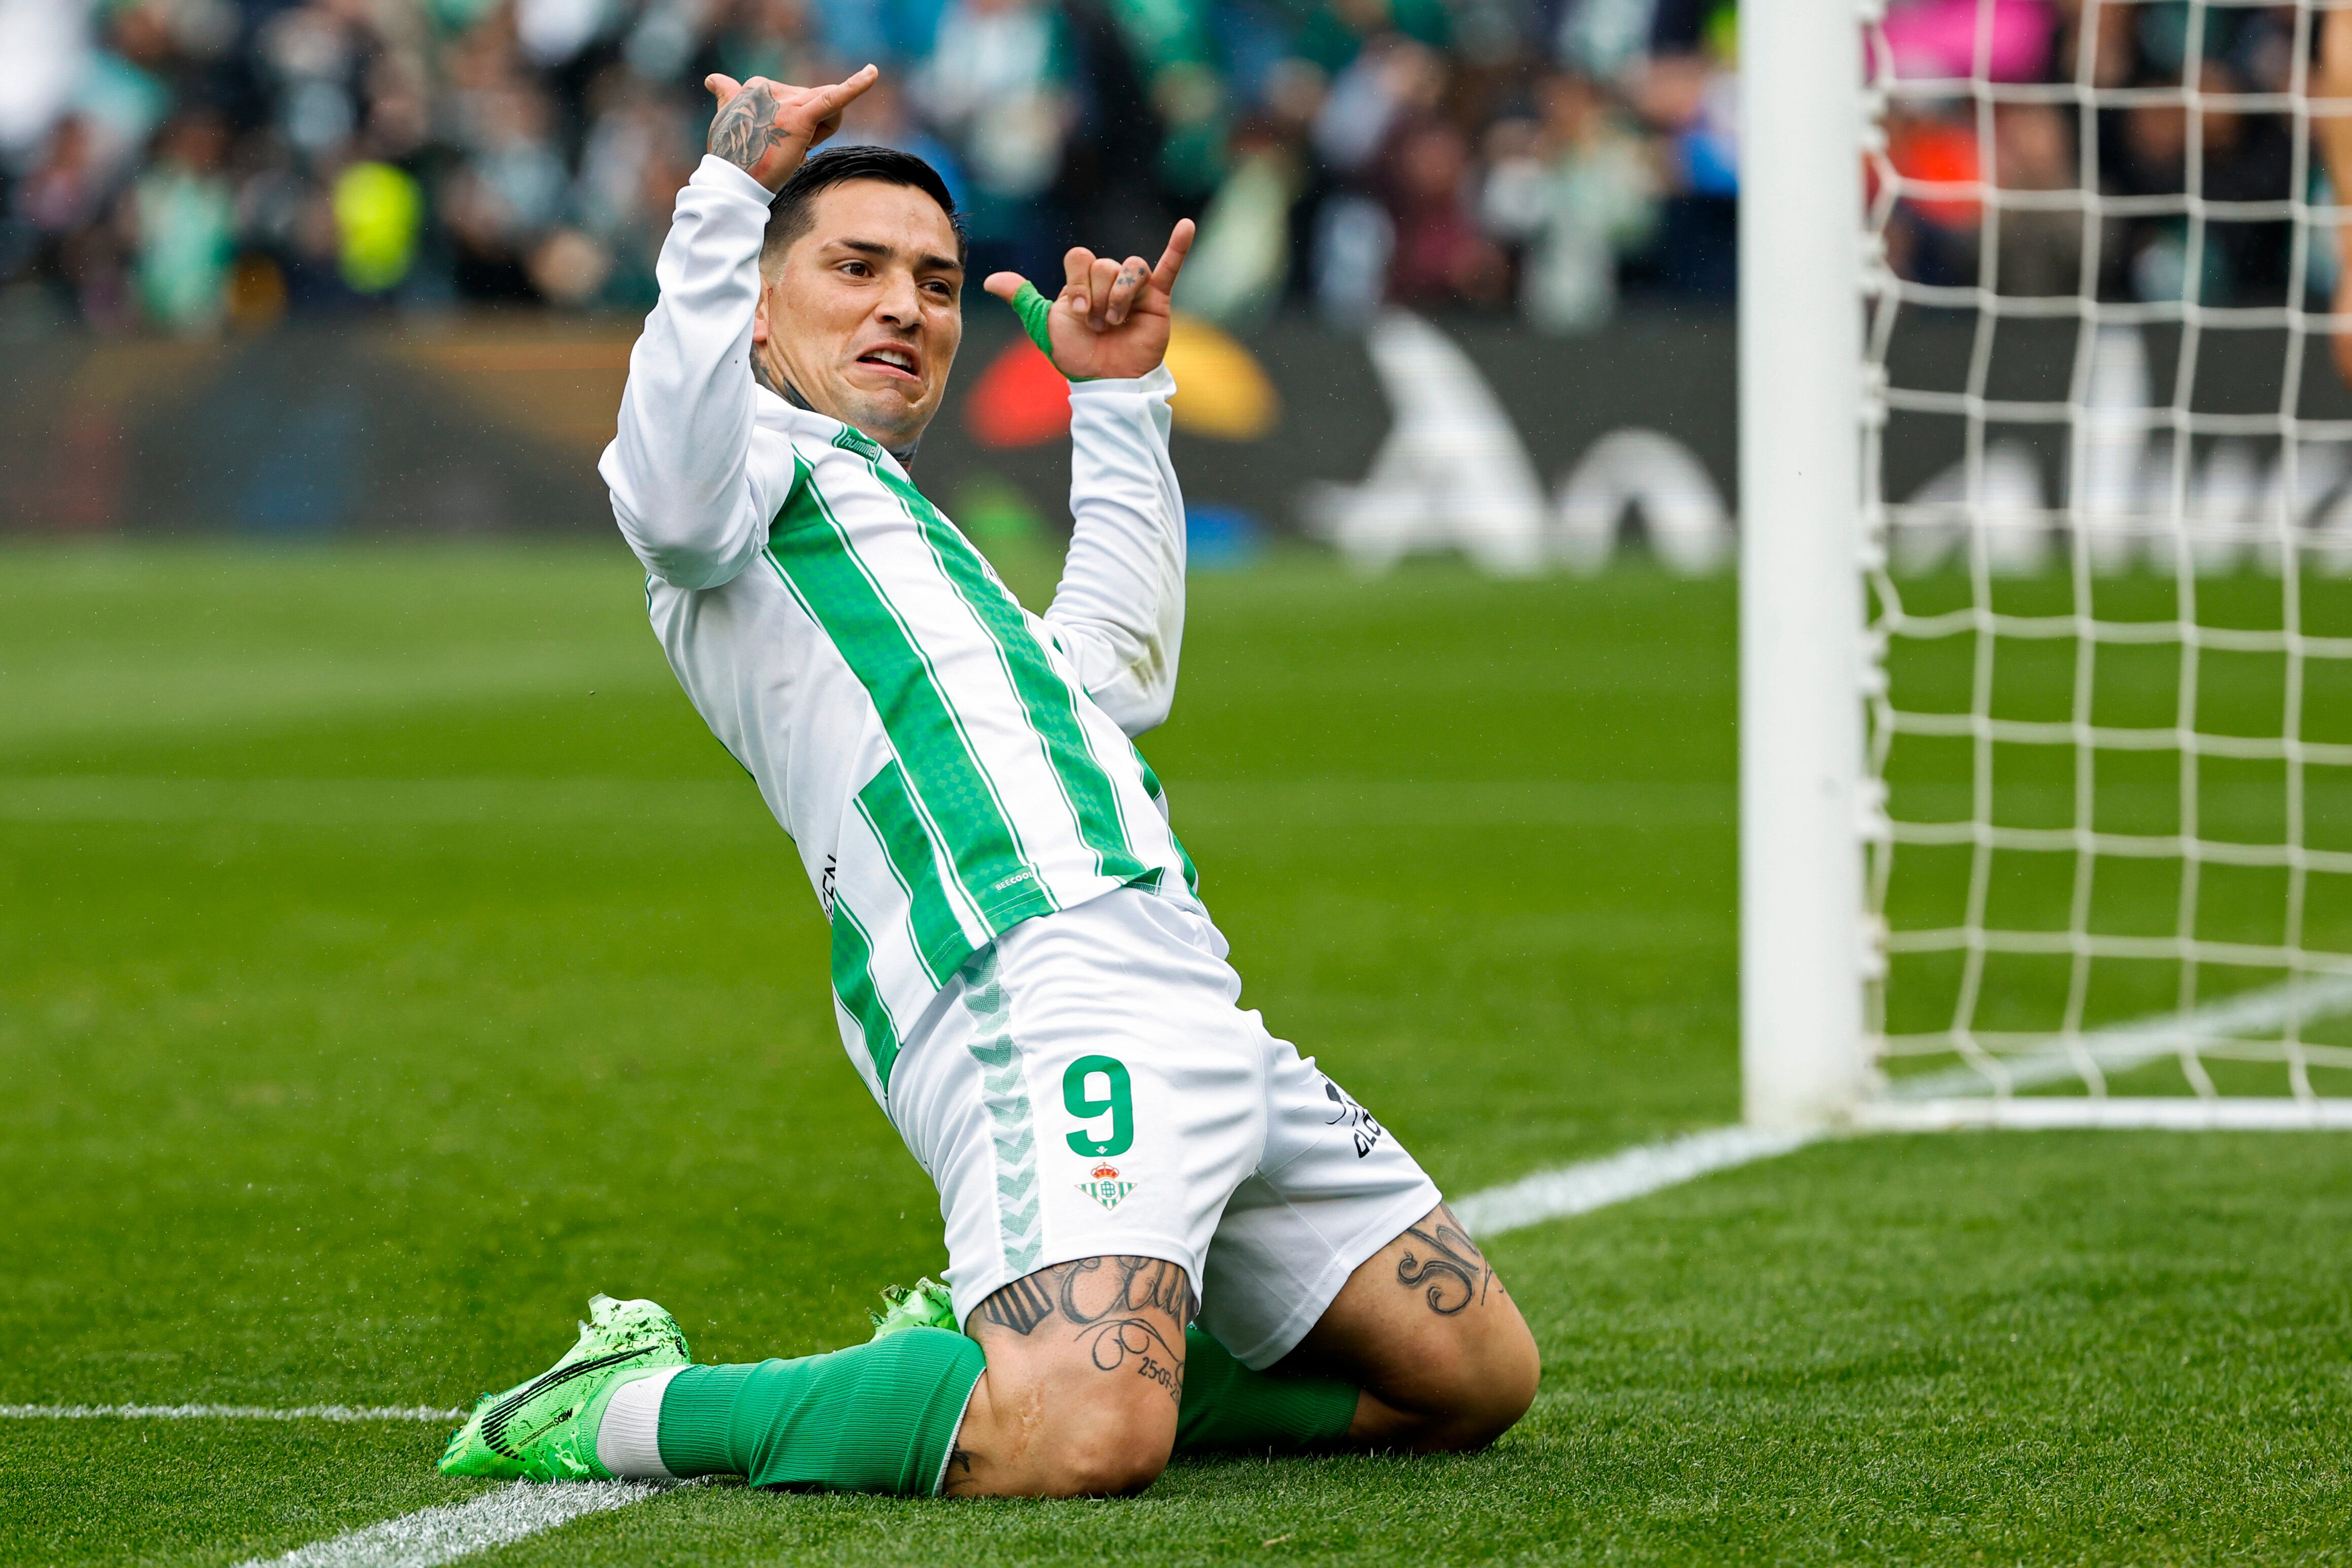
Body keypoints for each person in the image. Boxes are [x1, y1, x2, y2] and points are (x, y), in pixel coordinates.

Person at [436, 64, 1539, 1500]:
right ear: (756, 305)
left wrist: (1124, 396)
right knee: (1082, 1442)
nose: (905, 304)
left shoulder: (895, 514)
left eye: (938, 282)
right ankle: (628, 1403)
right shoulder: (738, 479)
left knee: (1467, 1378)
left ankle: (1014, 1350)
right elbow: (662, 488)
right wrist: (725, 189)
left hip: (1186, 988)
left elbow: (1115, 682)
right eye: (855, 268)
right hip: (1023, 976)